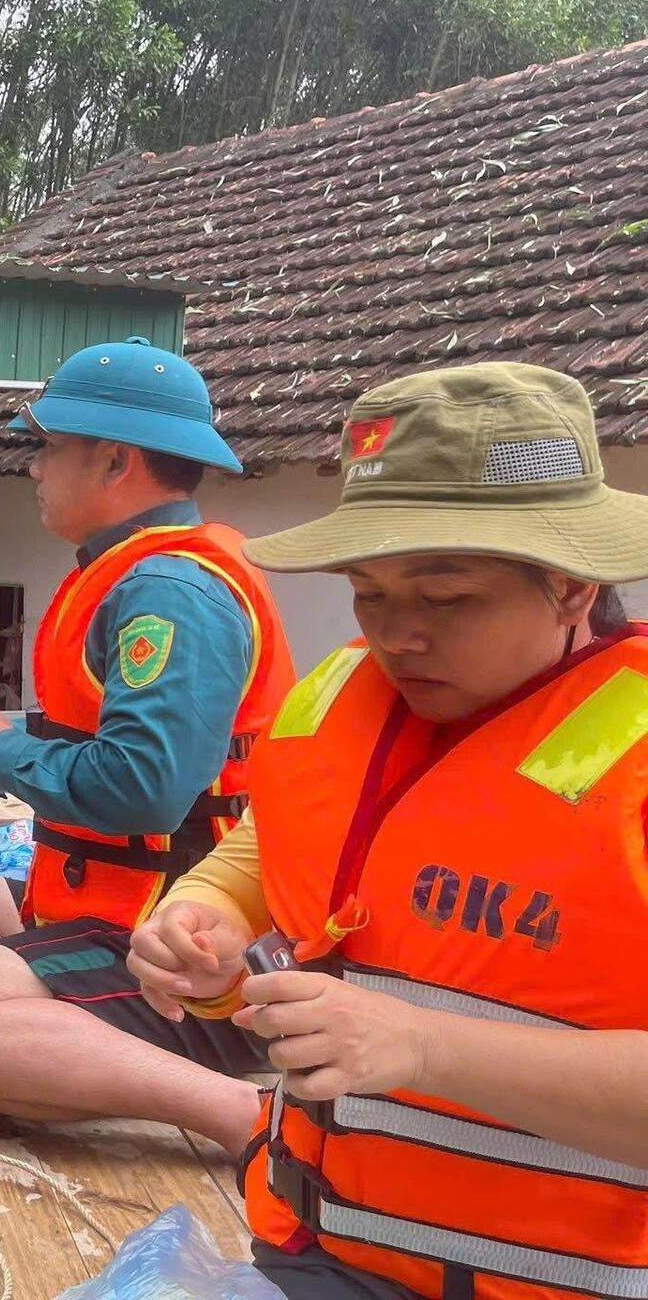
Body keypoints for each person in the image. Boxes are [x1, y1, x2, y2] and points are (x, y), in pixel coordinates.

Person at [127, 361, 648, 1300]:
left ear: (571, 587)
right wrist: (203, 912)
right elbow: (270, 843)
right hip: (317, 1251)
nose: (396, 636)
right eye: (369, 591)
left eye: (444, 597)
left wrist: (426, 1046)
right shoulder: (338, 696)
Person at [0, 336, 295, 1151]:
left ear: (114, 463)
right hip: (111, 897)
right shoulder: (132, 570)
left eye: (48, 448)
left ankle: (248, 1119)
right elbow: (104, 741)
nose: (34, 468)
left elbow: (148, 789)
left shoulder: (168, 594)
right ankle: (60, 1056)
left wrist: (1, 750)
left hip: (175, 940)